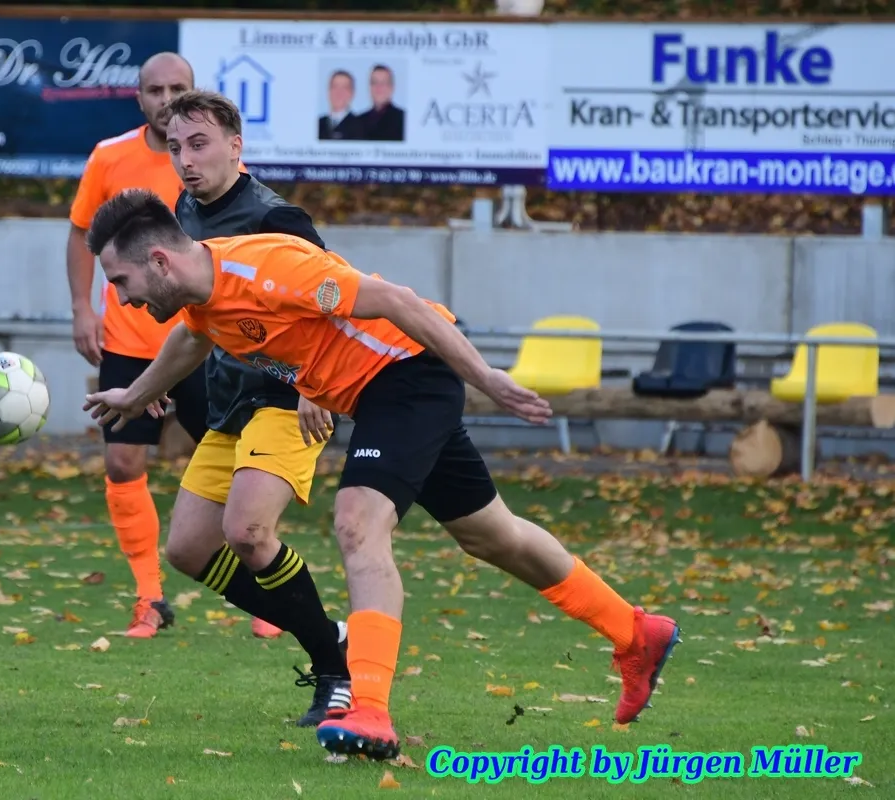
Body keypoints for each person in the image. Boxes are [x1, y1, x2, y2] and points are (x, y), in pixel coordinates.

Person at [80, 191, 681, 762]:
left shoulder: (269, 270)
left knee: (358, 523)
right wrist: (136, 395)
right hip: (375, 398)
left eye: (122, 282)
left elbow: (400, 302)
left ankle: (369, 709)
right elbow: (191, 339)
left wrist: (485, 378)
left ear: (159, 261)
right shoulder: (201, 298)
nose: (123, 300)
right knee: (493, 535)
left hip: (408, 375)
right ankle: (635, 633)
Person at [155, 88, 350, 725]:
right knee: (188, 549)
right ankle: (327, 636)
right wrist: (151, 385)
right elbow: (197, 323)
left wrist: (313, 387)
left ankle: (334, 672)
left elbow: (337, 305)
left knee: (247, 532)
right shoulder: (185, 210)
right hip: (230, 402)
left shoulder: (278, 218)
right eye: (176, 147)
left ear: (236, 147)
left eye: (199, 144)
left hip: (289, 397)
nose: (186, 159)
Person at [66, 51, 271, 641]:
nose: (165, 99)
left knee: (239, 470)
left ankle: (267, 595)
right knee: (122, 462)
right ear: (139, 98)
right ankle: (149, 598)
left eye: (176, 88)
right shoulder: (110, 156)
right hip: (130, 339)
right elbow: (81, 233)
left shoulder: (214, 169)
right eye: (154, 90)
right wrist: (82, 308)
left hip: (203, 342)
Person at [358, 65, 404, 142]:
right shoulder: (358, 122)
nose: (379, 87)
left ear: (392, 87)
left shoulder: (404, 120)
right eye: (374, 82)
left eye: (383, 83)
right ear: (370, 87)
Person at [318, 71, 364, 141]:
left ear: (352, 93)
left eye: (344, 88)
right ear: (328, 91)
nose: (339, 92)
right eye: (335, 87)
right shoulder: (317, 124)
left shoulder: (361, 126)